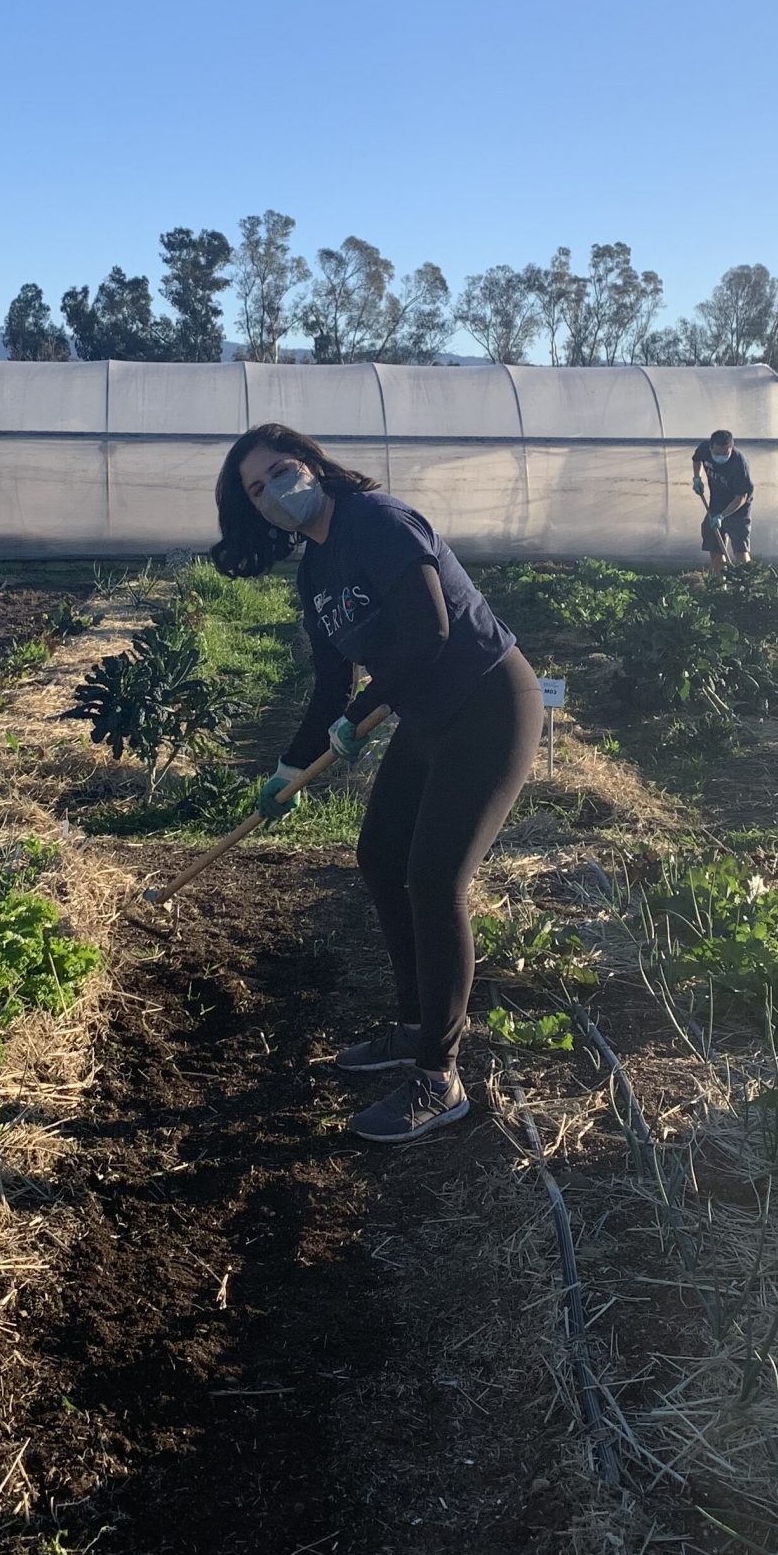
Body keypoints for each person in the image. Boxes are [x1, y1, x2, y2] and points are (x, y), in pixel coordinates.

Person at [213, 422, 544, 1145]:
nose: (271, 493)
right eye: (255, 489)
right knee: (379, 857)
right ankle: (413, 1024)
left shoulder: (378, 522)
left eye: (278, 472)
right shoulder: (316, 568)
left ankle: (439, 1078)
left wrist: (362, 715)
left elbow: (430, 635)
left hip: (488, 705)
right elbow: (334, 678)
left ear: (311, 464)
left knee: (434, 880)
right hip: (428, 718)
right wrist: (288, 767)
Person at [691, 427, 753, 573]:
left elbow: (741, 497)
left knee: (740, 549)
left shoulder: (739, 464)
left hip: (738, 509)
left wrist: (722, 516)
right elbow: (696, 459)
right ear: (711, 447)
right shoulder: (704, 449)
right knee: (715, 548)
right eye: (717, 453)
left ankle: (749, 584)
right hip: (715, 504)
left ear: (731, 447)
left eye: (725, 453)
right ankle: (721, 585)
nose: (721, 456)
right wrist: (697, 478)